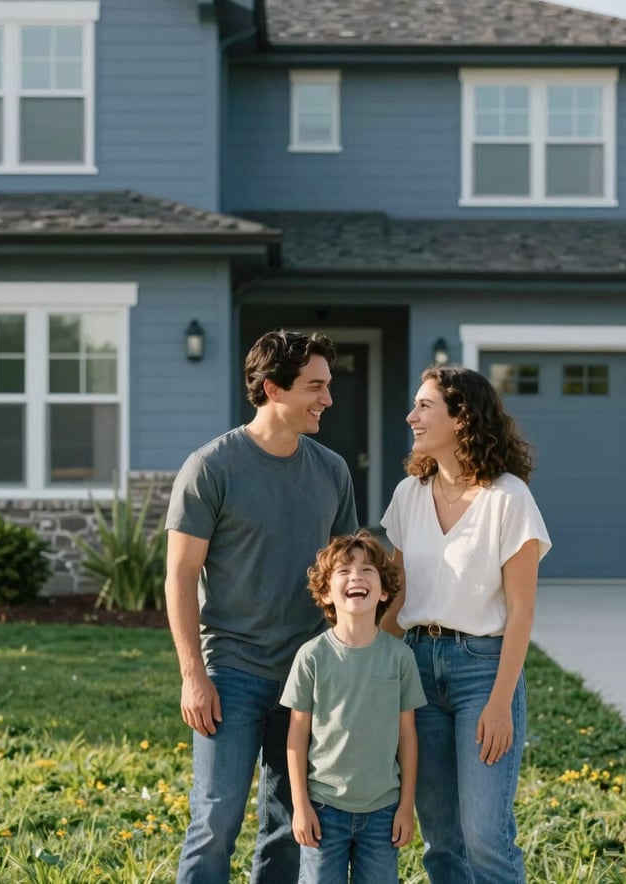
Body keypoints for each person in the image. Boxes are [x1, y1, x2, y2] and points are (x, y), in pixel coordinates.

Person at [164, 329, 358, 883]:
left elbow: (344, 577)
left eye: (327, 385)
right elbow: (179, 579)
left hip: (309, 675)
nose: (327, 398)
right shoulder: (211, 467)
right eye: (315, 387)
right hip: (232, 671)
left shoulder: (332, 471)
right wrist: (192, 676)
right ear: (273, 388)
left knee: (289, 821)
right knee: (216, 817)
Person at [380, 365, 551, 884]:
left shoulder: (508, 498)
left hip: (483, 671)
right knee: (441, 838)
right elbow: (400, 594)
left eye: (425, 406)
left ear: (462, 418)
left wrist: (501, 703)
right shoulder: (410, 494)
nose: (411, 416)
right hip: (417, 668)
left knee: (485, 836)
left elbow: (522, 609)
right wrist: (355, 654)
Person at [281, 530, 426, 884]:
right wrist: (301, 807)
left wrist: (406, 806)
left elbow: (407, 737)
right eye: (344, 571)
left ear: (385, 591)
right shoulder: (311, 657)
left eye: (367, 571)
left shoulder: (400, 658)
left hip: (382, 812)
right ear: (327, 592)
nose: (356, 577)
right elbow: (296, 737)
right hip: (323, 809)